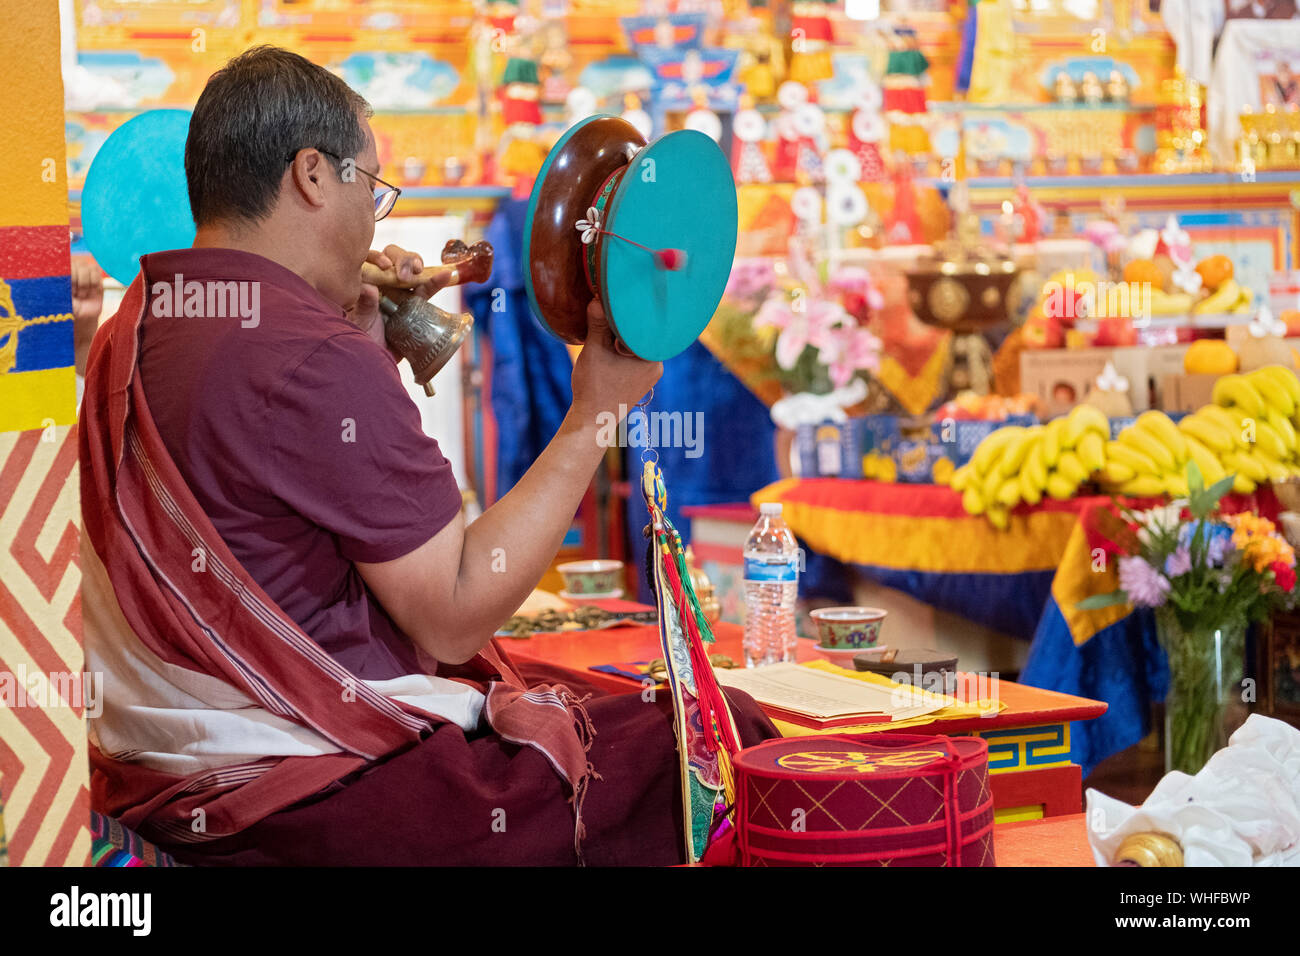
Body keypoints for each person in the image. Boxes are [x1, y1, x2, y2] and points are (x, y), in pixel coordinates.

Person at [79, 45, 776, 866]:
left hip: (156, 772)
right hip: (301, 790)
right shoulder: (303, 354)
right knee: (719, 735)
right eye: (369, 186)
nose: (375, 219)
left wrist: (362, 349)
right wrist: (596, 413)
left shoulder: (141, 321)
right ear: (311, 175)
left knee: (588, 695)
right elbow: (455, 607)